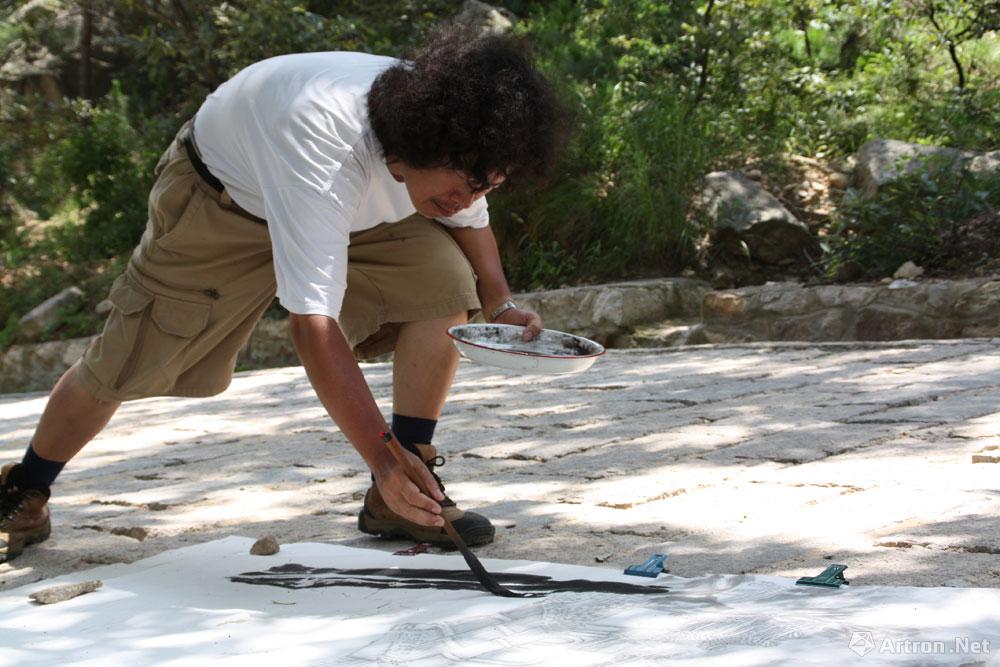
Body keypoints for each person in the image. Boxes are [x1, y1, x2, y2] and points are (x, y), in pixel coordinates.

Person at [0, 27, 567, 564]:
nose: (469, 196)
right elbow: (311, 325)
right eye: (466, 184)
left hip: (363, 210)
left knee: (442, 281)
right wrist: (378, 452)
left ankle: (402, 492)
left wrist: (500, 305)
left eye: (488, 184)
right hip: (224, 202)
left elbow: (471, 221)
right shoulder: (327, 144)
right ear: (417, 147)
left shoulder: (459, 138)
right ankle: (25, 487)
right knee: (125, 360)